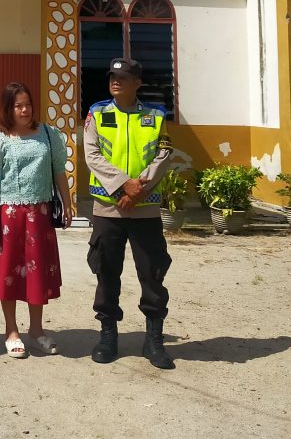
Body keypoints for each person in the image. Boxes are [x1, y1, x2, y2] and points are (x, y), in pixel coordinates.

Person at [83, 58, 177, 369]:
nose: (116, 81)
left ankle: (153, 340)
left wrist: (140, 190)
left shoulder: (156, 115)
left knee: (152, 274)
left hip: (145, 210)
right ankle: (108, 335)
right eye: (112, 76)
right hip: (108, 209)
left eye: (124, 77)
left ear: (138, 82)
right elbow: (92, 154)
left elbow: (163, 154)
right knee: (107, 272)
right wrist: (124, 185)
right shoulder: (98, 113)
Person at [0, 82, 72, 359]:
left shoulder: (48, 134)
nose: (24, 110)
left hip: (40, 215)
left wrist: (67, 204)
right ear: (9, 108)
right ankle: (11, 331)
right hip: (8, 215)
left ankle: (36, 329)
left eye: (27, 104)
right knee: (8, 272)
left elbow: (59, 172)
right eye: (18, 105)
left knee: (37, 271)